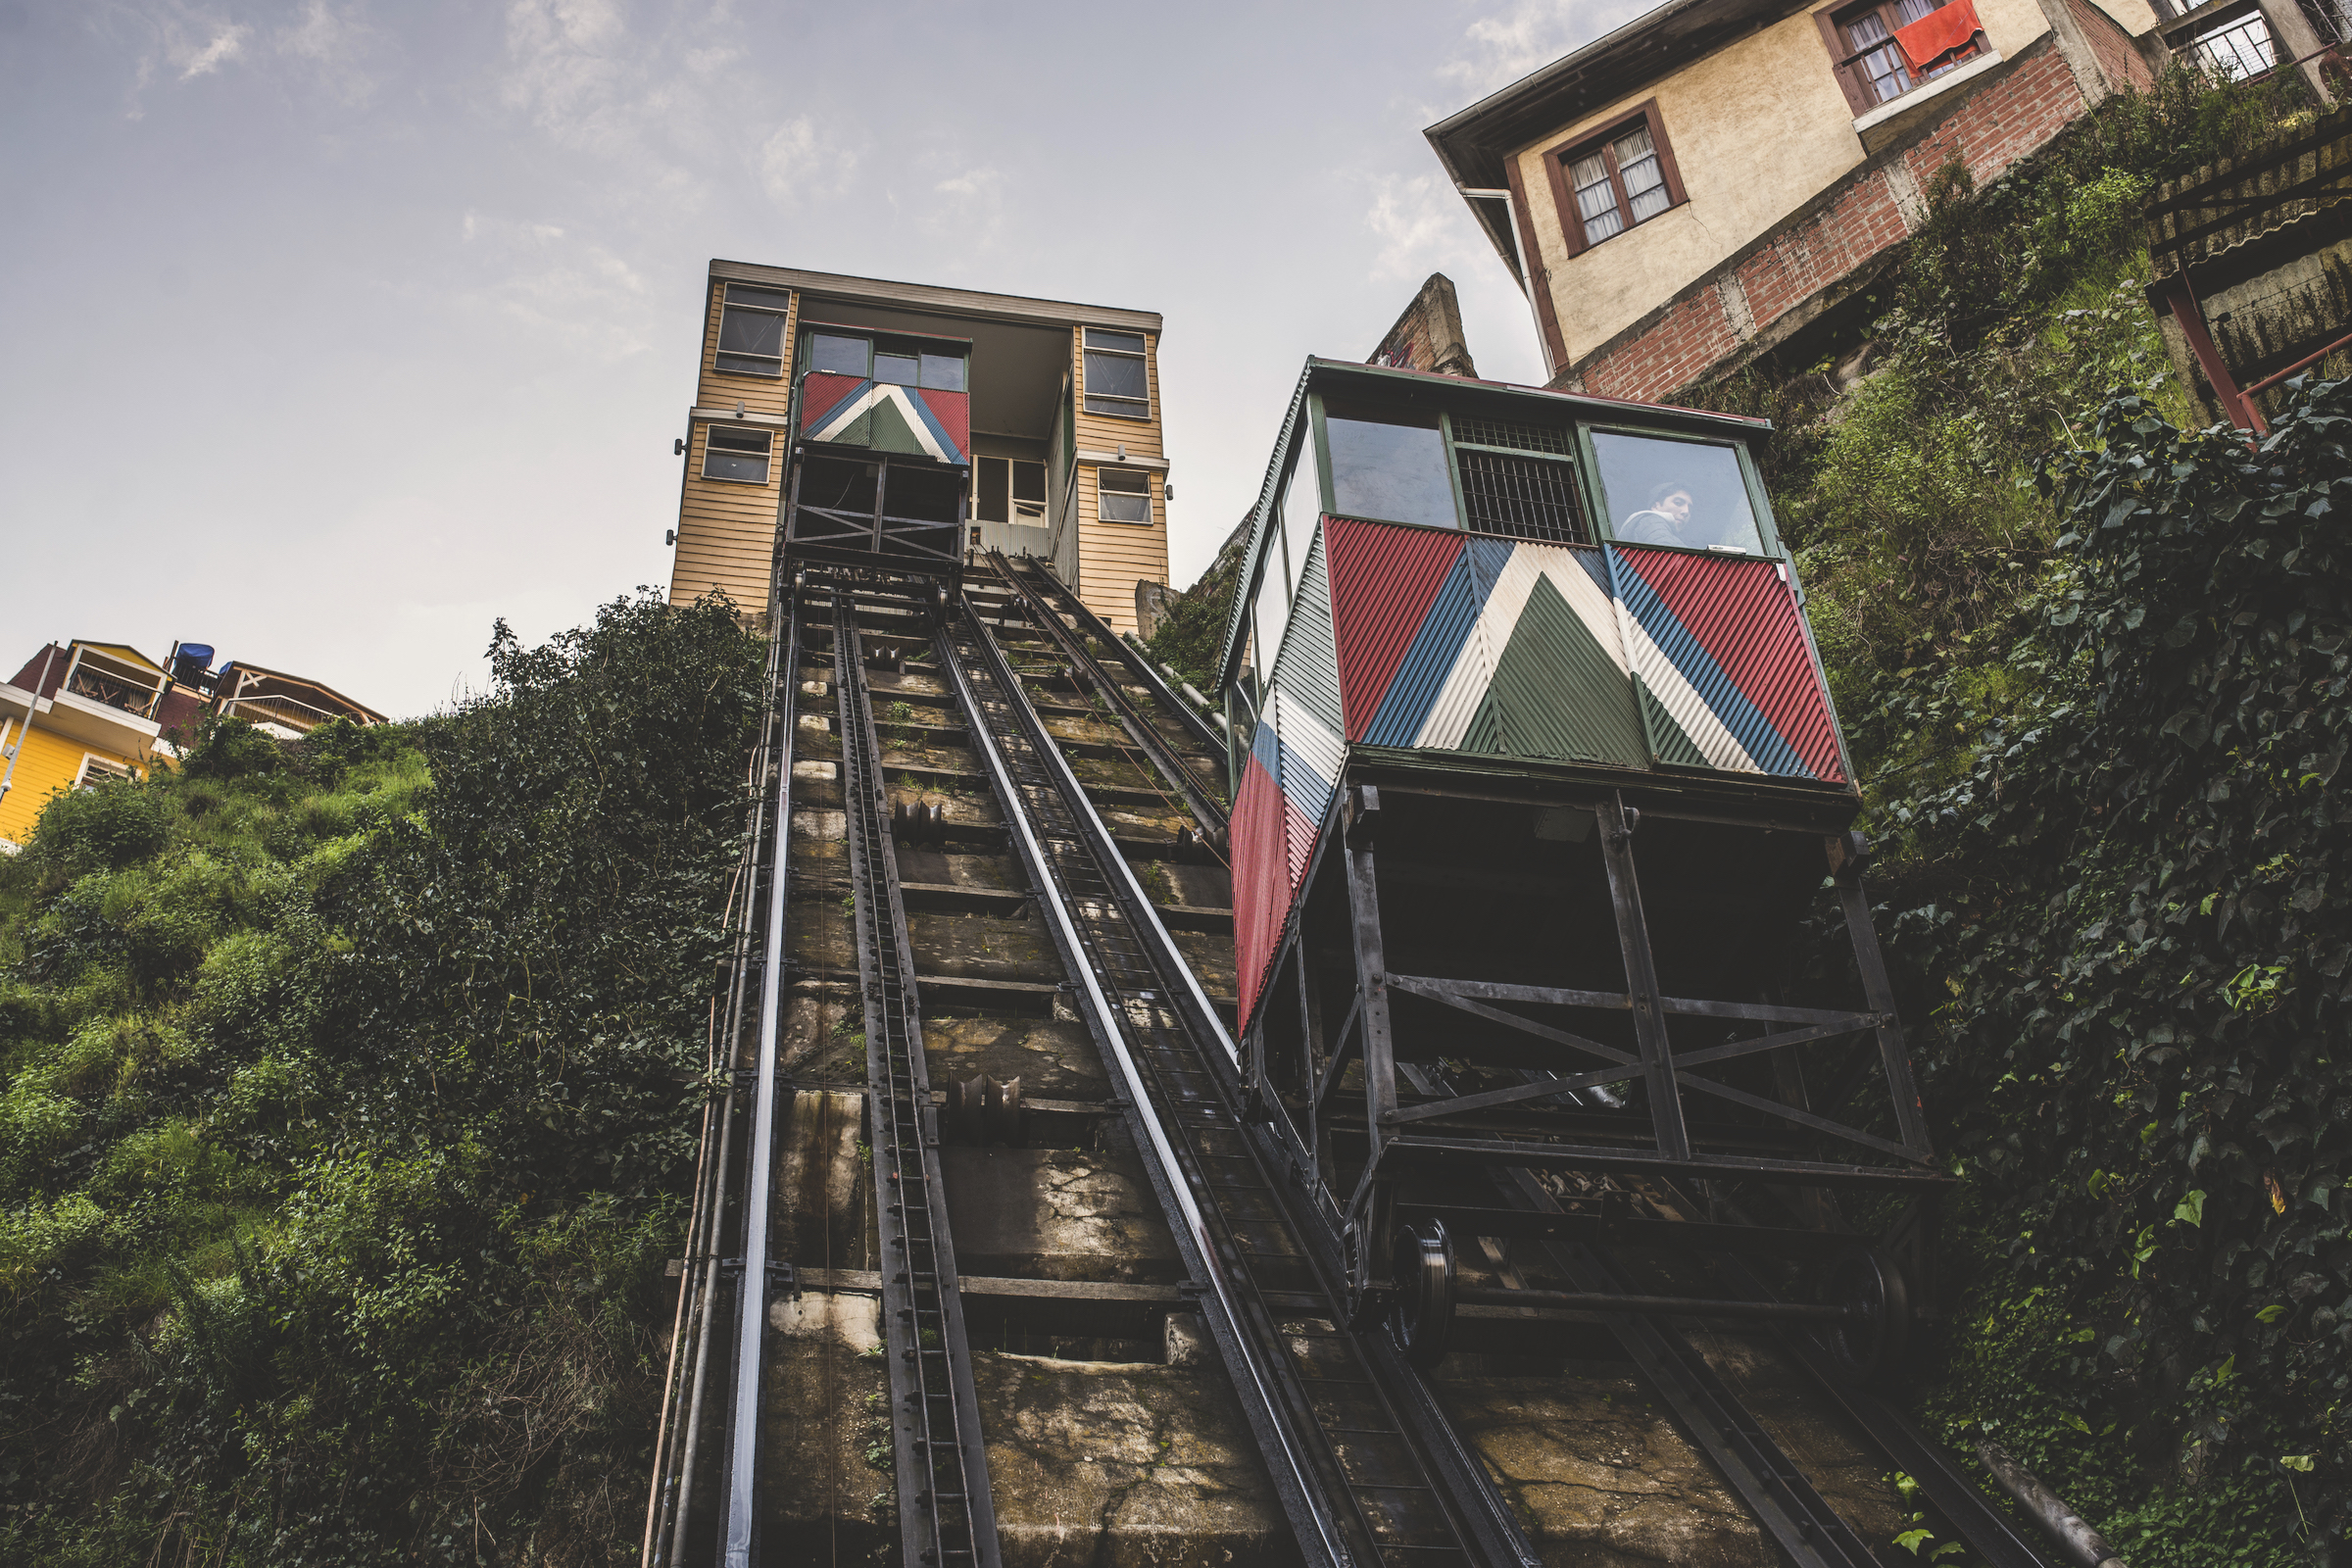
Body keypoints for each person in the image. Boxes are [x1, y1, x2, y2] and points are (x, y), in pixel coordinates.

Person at [1615, 481, 1697, 548]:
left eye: (1690, 509)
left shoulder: (1668, 532)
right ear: (1655, 506)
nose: (1686, 511)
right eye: (1678, 503)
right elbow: (1666, 556)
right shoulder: (1651, 521)